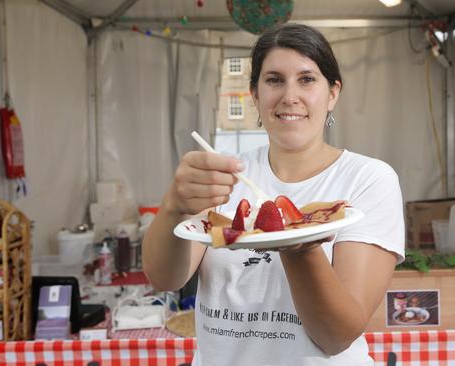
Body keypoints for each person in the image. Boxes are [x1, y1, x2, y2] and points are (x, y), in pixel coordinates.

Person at [143, 23, 405, 365]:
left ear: (333, 93)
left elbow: (336, 335)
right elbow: (165, 278)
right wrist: (174, 206)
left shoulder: (367, 180)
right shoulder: (223, 176)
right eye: (274, 79)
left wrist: (296, 246)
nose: (289, 96)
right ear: (254, 95)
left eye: (307, 79)